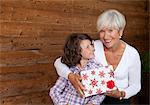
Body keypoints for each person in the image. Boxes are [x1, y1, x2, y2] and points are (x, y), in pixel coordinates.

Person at [54, 9, 141, 105]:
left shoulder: (132, 54)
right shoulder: (92, 47)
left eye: (110, 30)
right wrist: (70, 76)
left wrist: (120, 94)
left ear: (120, 32)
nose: (106, 36)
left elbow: (136, 85)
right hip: (92, 99)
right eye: (102, 31)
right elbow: (59, 62)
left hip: (119, 100)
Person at [50, 33, 105, 105]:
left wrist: (93, 103)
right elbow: (55, 91)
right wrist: (62, 103)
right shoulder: (70, 69)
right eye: (87, 47)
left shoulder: (97, 68)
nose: (93, 49)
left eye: (91, 45)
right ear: (78, 51)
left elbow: (101, 93)